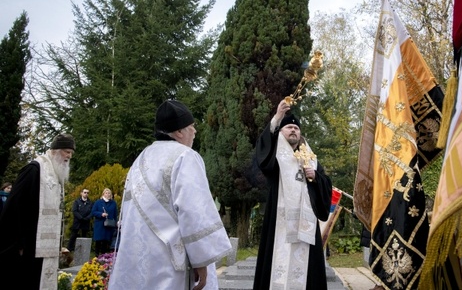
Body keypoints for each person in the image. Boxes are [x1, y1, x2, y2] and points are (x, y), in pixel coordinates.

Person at [109, 99, 232, 290]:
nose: (195, 131)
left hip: (138, 262)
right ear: (179, 132)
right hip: (171, 264)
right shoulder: (185, 156)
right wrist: (201, 260)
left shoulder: (140, 159)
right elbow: (194, 211)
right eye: (192, 126)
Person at [252, 99, 332, 290]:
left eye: (296, 128)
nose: (293, 130)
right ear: (281, 132)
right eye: (288, 127)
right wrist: (278, 117)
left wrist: (316, 178)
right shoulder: (276, 155)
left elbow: (326, 185)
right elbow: (263, 153)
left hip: (305, 225)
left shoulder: (310, 158)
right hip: (279, 222)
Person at [0, 133, 75, 289]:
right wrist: (18, 243)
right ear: (54, 150)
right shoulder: (34, 170)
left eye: (71, 153)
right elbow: (14, 208)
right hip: (29, 247)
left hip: (46, 250)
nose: (69, 156)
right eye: (66, 151)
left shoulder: (55, 176)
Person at [91, 188, 118, 257]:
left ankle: (104, 257)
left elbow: (115, 214)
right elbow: (93, 212)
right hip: (100, 224)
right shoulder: (98, 202)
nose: (108, 194)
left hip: (109, 224)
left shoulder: (113, 203)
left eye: (109, 193)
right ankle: (96, 256)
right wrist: (101, 214)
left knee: (106, 241)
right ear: (103, 194)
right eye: (106, 193)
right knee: (98, 241)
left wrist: (115, 222)